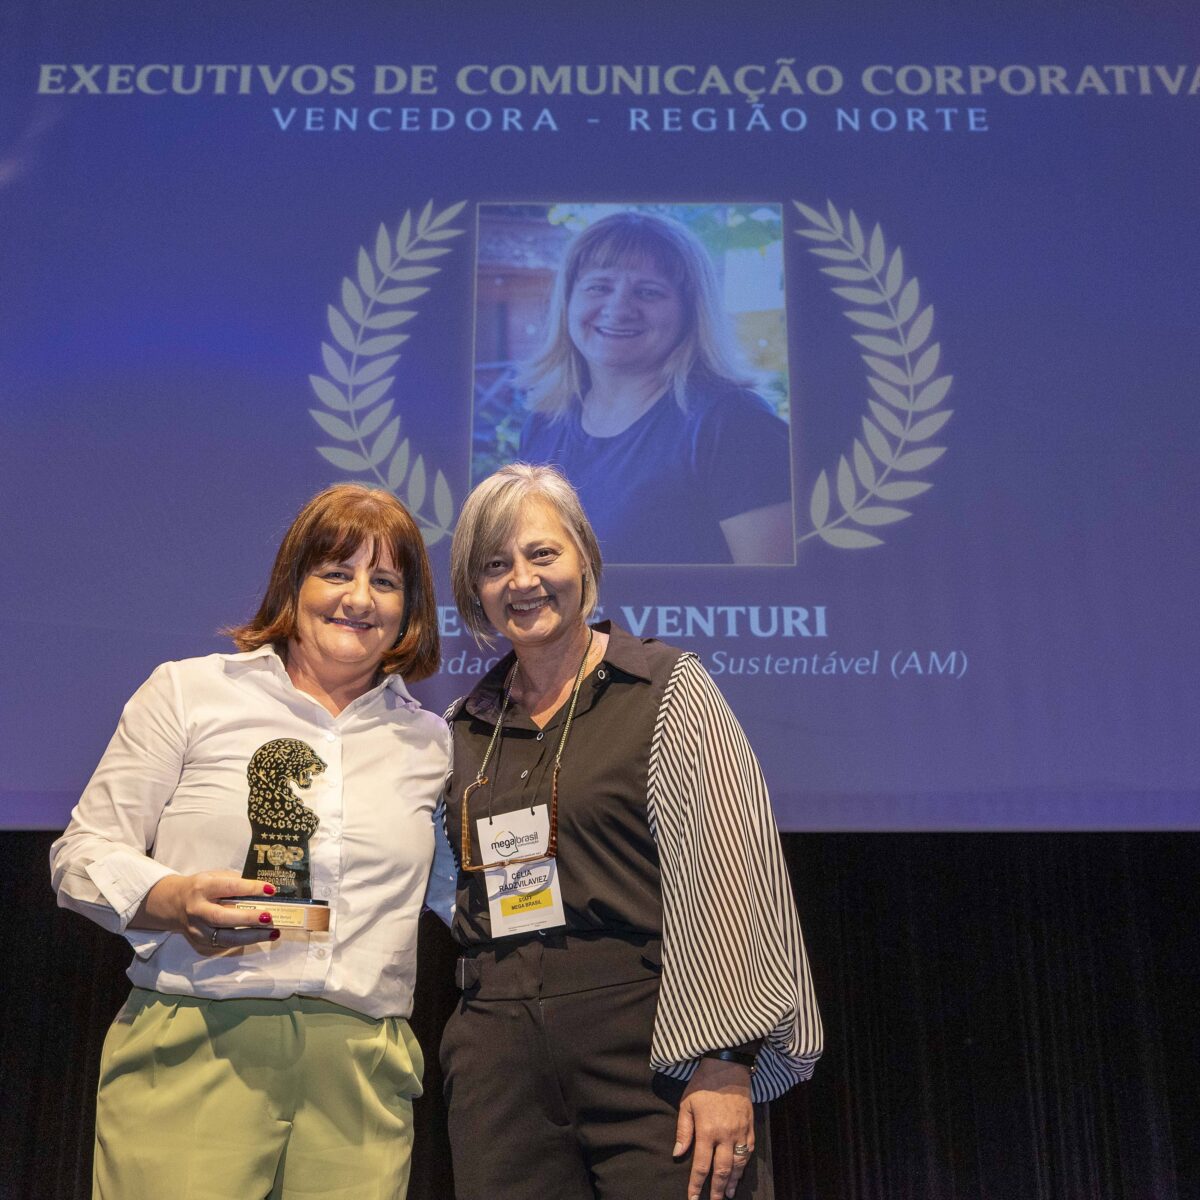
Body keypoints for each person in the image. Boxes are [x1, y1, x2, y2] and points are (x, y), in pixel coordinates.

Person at [429, 464, 821, 1200]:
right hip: (498, 1061)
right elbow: (438, 890)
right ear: (473, 589)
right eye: (495, 565)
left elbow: (730, 875)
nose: (522, 581)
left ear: (583, 558)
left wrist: (726, 1060)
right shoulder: (462, 728)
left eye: (542, 554)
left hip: (652, 1049)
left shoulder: (667, 688)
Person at [50, 484, 449, 1200]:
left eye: (386, 581)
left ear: (409, 609)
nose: (359, 598)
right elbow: (80, 856)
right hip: (195, 1048)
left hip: (360, 1077)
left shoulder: (432, 742)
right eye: (336, 572)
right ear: (293, 583)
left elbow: (459, 895)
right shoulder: (188, 694)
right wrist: (172, 899)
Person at [516, 211, 794, 565]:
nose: (618, 308)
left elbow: (774, 594)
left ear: (690, 313)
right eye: (599, 287)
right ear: (567, 302)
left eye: (648, 292)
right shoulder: (543, 425)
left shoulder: (735, 424)